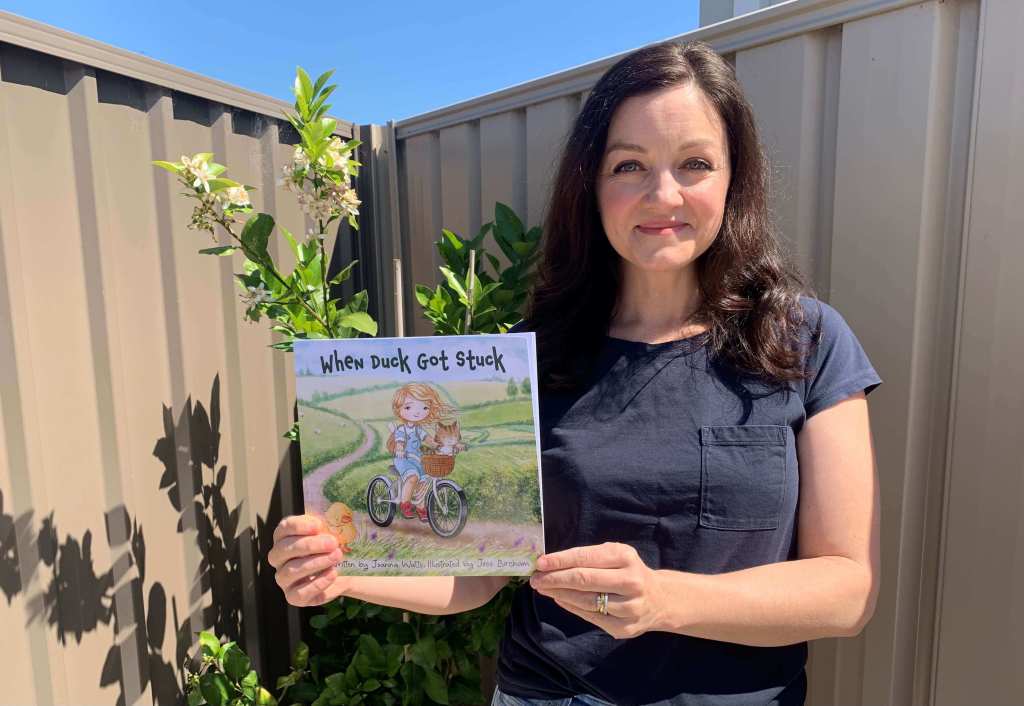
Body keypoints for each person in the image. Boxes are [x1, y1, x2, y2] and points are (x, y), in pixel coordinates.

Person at [268, 40, 882, 706]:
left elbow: (847, 590)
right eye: (629, 165)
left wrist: (664, 600)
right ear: (592, 185)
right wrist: (342, 570)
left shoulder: (803, 341)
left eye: (695, 163)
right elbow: (478, 573)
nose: (663, 194)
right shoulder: (529, 358)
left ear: (735, 179)